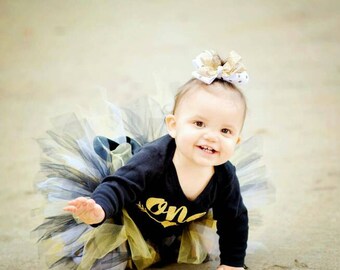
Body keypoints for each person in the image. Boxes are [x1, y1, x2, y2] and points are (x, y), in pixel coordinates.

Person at [63, 50, 250, 270]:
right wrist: (99, 210)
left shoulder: (224, 175)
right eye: (199, 124)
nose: (211, 136)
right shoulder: (153, 160)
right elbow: (119, 186)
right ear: (173, 126)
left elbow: (234, 220)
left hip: (174, 227)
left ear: (236, 141)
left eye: (225, 130)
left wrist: (232, 263)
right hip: (127, 222)